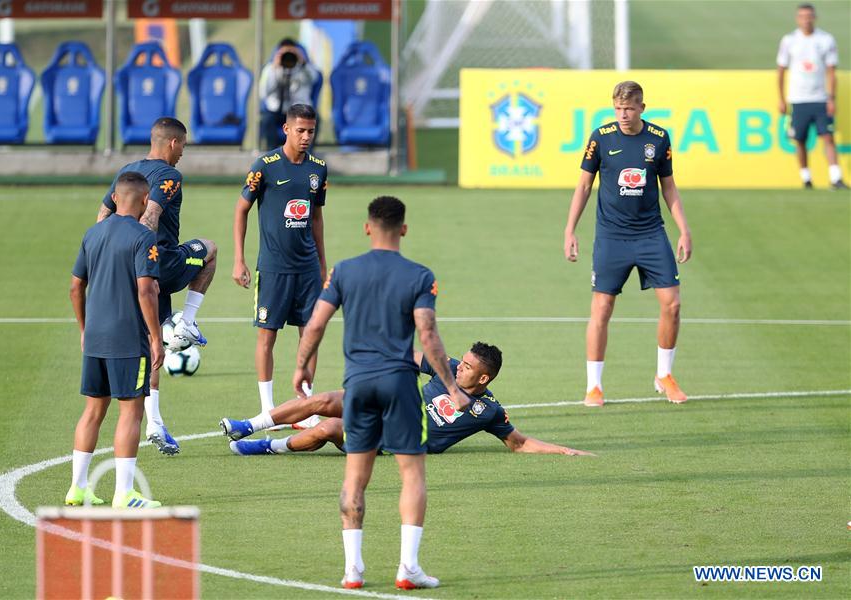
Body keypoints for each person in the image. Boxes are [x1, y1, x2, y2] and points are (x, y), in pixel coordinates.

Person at [291, 196, 468, 590]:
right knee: (412, 474)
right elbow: (428, 334)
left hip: (357, 384)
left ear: (367, 227)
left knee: (355, 478)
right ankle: (408, 567)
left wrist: (303, 363)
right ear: (403, 229)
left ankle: (353, 570)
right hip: (399, 383)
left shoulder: (344, 271)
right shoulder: (420, 276)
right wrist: (452, 387)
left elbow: (316, 323)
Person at [221, 342, 595, 458]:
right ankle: (249, 424)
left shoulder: (487, 410)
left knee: (329, 428)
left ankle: (267, 447)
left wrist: (564, 450)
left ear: (483, 378)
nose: (458, 368)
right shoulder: (445, 369)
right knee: (326, 399)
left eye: (466, 367)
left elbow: (519, 442)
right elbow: (411, 355)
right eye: (460, 362)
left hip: (395, 440)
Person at [563, 81, 693, 408]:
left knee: (673, 304)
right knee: (602, 309)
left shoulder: (659, 139)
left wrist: (684, 230)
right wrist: (570, 230)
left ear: (642, 109)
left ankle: (664, 375)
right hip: (611, 237)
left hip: (651, 234)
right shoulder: (601, 138)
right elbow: (583, 186)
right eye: (618, 108)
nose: (623, 114)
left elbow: (669, 187)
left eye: (629, 108)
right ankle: (594, 386)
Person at [97, 117, 218, 456]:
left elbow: (101, 218)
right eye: (183, 146)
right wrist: (143, 259)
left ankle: (155, 424)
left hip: (128, 270)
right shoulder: (169, 175)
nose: (183, 154)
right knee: (209, 250)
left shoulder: (128, 171)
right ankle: (188, 321)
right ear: (173, 144)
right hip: (157, 263)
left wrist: (110, 257)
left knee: (151, 343)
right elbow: (150, 218)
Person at [67, 172, 164, 509]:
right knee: (131, 412)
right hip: (127, 338)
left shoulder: (93, 233)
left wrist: (83, 329)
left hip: (95, 336)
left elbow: (75, 287)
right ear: (142, 199)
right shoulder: (143, 236)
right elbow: (145, 290)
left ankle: (77, 488)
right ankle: (124, 493)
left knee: (93, 411)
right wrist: (156, 337)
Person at [233, 104, 326, 425]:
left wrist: (323, 265)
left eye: (311, 131)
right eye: (300, 130)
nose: (306, 137)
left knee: (310, 335)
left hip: (308, 269)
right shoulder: (266, 166)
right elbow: (241, 209)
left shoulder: (318, 169)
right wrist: (239, 259)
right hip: (273, 268)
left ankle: (304, 407)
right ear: (286, 129)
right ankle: (267, 408)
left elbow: (316, 217)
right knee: (266, 337)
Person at [777, 3, 848, 190]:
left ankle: (835, 177)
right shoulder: (789, 40)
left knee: (827, 136)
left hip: (820, 97)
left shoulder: (825, 40)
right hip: (798, 98)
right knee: (799, 139)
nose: (806, 20)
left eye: (809, 16)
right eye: (802, 16)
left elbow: (831, 71)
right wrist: (781, 98)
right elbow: (781, 70)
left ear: (815, 18)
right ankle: (806, 178)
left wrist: (831, 97)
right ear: (797, 19)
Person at [258, 38, 321, 150]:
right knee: (267, 119)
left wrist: (302, 62)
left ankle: (306, 156)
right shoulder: (269, 69)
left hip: (299, 112)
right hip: (276, 111)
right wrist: (275, 68)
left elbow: (315, 78)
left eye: (291, 52)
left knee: (313, 118)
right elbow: (263, 92)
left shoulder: (305, 68)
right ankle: (272, 156)